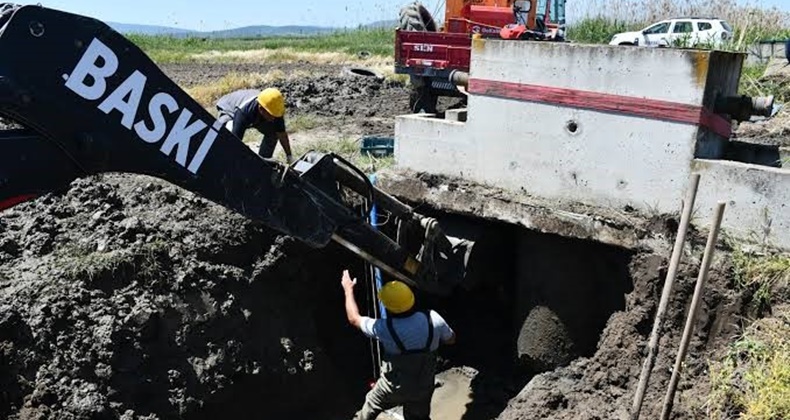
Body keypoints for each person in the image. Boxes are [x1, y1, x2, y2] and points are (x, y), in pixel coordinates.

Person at [340, 270, 456, 420]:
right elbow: (451, 339)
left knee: (371, 404)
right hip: (423, 385)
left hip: (393, 388)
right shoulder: (433, 318)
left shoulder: (385, 328)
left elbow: (354, 319)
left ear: (387, 306)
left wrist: (348, 290)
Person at [215, 88, 294, 163]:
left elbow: (282, 134)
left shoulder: (274, 110)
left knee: (273, 133)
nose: (273, 118)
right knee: (227, 134)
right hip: (229, 108)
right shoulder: (243, 112)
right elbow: (235, 141)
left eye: (275, 115)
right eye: (271, 115)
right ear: (261, 109)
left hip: (255, 114)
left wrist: (289, 156)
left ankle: (264, 162)